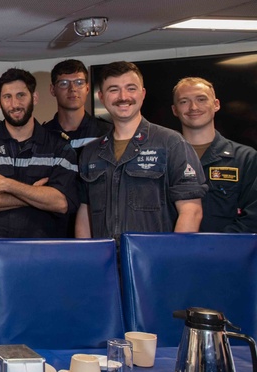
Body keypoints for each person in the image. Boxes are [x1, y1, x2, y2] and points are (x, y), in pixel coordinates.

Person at [76, 61, 206, 238]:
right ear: (101, 96)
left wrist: (172, 258)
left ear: (142, 93)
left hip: (155, 260)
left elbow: (191, 211)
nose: (123, 96)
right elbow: (85, 211)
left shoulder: (171, 143)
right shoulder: (90, 152)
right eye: (113, 90)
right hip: (105, 260)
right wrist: (88, 259)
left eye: (131, 88)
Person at [0, 68, 78, 239]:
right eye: (7, 97)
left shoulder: (59, 146)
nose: (14, 104)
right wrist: (35, 196)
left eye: (21, 95)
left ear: (34, 98)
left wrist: (8, 185)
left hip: (45, 251)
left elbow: (60, 202)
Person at [172, 77, 257, 233]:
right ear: (175, 110)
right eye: (184, 101)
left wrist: (215, 248)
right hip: (172, 253)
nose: (193, 107)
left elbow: (253, 217)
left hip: (228, 254)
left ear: (216, 104)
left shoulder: (245, 158)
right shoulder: (164, 159)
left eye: (201, 99)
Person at [43, 59, 110, 151]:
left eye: (79, 83)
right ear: (52, 90)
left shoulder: (107, 133)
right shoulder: (41, 135)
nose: (72, 89)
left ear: (87, 88)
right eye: (64, 83)